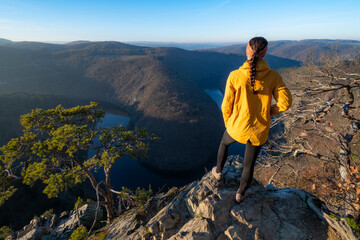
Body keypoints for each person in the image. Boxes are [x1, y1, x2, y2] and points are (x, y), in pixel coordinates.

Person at [212, 37, 292, 203]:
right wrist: (267, 112)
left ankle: (218, 172)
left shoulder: (235, 76)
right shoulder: (273, 76)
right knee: (249, 165)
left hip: (237, 127)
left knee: (224, 143)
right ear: (265, 53)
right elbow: (285, 103)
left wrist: (229, 123)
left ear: (247, 50)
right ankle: (240, 193)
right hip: (259, 130)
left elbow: (226, 105)